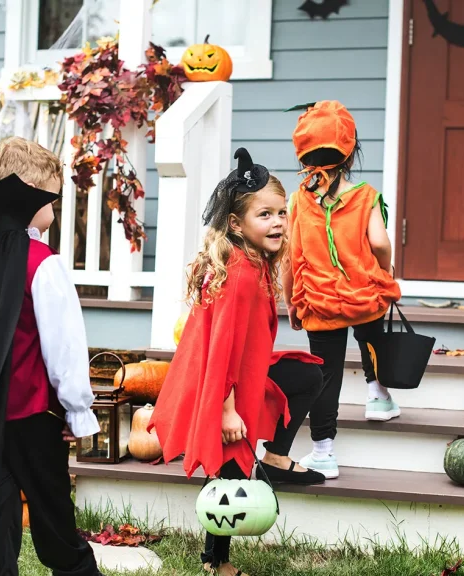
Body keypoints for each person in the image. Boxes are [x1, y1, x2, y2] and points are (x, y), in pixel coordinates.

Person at [149, 148, 325, 576]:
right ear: (236, 224)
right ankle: (217, 562)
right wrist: (226, 409)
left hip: (243, 374)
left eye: (282, 213)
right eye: (264, 215)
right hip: (220, 384)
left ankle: (277, 458)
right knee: (227, 472)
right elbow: (223, 346)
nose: (278, 222)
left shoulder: (252, 263)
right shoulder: (241, 274)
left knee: (307, 373)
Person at [0, 137, 102, 575]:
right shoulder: (42, 263)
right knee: (52, 510)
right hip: (32, 417)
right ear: (30, 192)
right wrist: (78, 411)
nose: (55, 206)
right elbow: (63, 346)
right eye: (52, 196)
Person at [283, 100, 402, 481]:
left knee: (326, 375)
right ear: (350, 152)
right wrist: (387, 270)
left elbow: (289, 257)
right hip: (364, 295)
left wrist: (290, 301)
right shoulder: (365, 196)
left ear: (303, 154)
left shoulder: (299, 200)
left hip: (319, 303)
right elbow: (380, 243)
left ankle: (324, 452)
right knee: (372, 341)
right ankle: (378, 396)